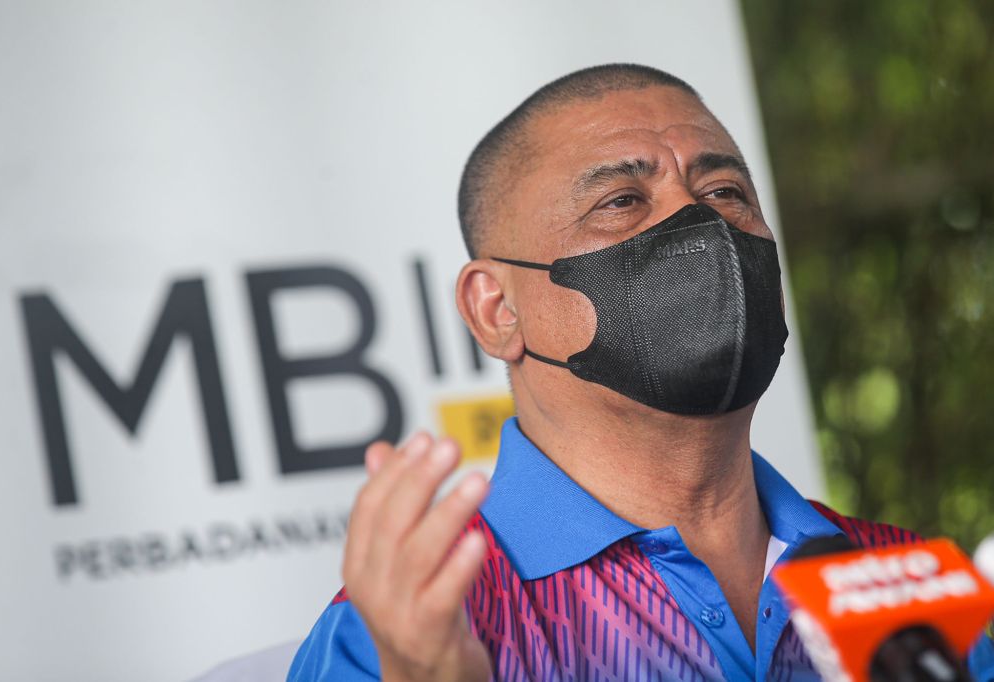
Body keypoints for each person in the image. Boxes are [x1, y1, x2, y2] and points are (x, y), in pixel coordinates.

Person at [288, 64, 994, 681]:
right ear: (496, 309)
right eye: (622, 202)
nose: (698, 219)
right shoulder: (410, 631)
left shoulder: (901, 580)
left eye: (725, 193)